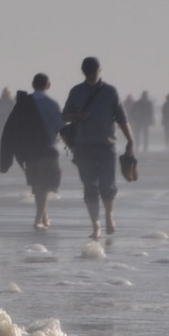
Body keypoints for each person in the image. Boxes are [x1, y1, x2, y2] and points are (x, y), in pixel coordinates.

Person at [62, 57, 136, 239]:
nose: (93, 74)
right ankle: (96, 225)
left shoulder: (110, 92)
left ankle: (108, 215)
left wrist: (130, 141)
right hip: (82, 145)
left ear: (99, 71)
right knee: (89, 185)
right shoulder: (76, 91)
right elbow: (65, 115)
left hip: (106, 145)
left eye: (94, 71)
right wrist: (78, 116)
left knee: (106, 184)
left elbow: (121, 118)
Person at [0, 73, 63, 231]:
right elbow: (62, 126)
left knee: (37, 183)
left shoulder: (22, 103)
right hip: (46, 149)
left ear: (33, 85)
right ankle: (38, 218)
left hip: (27, 151)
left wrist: (7, 157)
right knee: (44, 185)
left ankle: (43, 214)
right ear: (48, 85)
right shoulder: (50, 104)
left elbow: (11, 128)